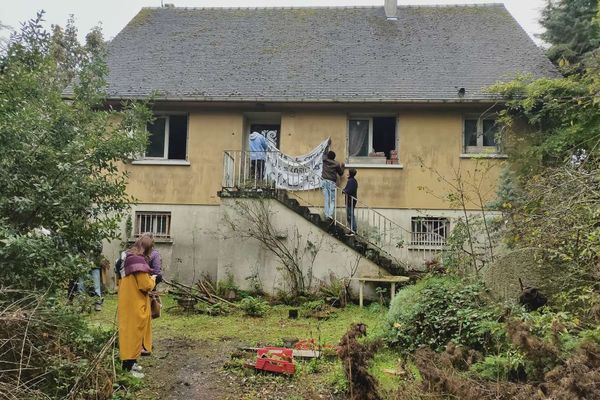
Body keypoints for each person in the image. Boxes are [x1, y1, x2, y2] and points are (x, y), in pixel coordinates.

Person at [118, 235, 156, 378]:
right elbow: (145, 285)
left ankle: (131, 363)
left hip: (126, 300)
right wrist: (153, 280)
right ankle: (128, 368)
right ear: (147, 247)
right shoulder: (138, 261)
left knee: (129, 332)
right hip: (135, 302)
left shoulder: (126, 257)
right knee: (134, 333)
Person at [321, 141, 344, 222]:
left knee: (326, 199)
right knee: (332, 200)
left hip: (324, 181)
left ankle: (327, 215)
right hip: (331, 182)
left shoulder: (324, 160)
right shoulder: (336, 164)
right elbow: (341, 173)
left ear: (328, 156)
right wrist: (343, 167)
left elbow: (324, 152)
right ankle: (329, 215)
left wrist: (327, 144)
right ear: (334, 157)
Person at [343, 168, 358, 235]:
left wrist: (344, 191)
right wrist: (344, 190)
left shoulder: (351, 181)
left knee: (350, 216)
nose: (347, 173)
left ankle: (353, 230)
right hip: (350, 200)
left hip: (350, 200)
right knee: (349, 216)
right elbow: (348, 189)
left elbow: (350, 190)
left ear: (350, 173)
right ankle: (352, 229)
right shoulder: (352, 180)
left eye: (348, 172)